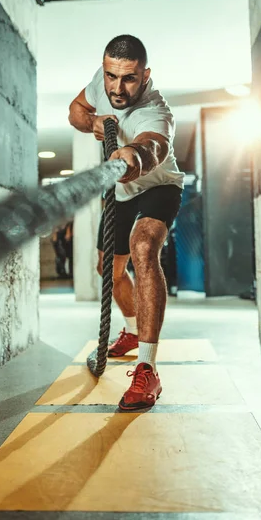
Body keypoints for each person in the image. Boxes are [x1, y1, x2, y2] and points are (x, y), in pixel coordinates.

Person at [69, 34, 184, 410]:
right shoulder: (102, 84)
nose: (118, 88)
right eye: (111, 77)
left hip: (158, 186)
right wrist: (93, 123)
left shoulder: (157, 112)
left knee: (143, 246)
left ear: (145, 75)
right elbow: (75, 110)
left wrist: (130, 157)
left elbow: (153, 148)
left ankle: (148, 368)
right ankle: (133, 332)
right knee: (109, 270)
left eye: (129, 79)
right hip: (120, 196)